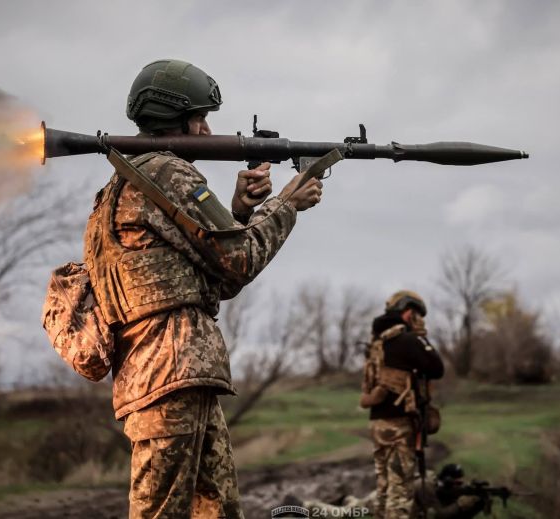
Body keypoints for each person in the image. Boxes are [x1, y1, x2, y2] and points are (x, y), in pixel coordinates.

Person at [85, 59, 324, 518]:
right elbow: (240, 261)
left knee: (217, 511)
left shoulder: (125, 184)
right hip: (169, 374)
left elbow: (210, 277)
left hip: (173, 375)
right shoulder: (168, 175)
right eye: (201, 118)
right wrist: (287, 204)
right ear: (176, 119)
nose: (208, 128)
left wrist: (238, 212)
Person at [360, 290, 445, 519]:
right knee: (400, 493)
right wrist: (421, 337)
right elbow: (437, 368)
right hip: (399, 426)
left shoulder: (377, 343)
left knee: (384, 488)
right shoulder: (408, 340)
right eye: (418, 315)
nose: (420, 320)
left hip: (377, 424)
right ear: (408, 313)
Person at [300, 464, 489, 519]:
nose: (459, 487)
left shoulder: (435, 487)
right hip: (377, 508)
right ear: (446, 481)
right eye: (456, 484)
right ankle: (303, 506)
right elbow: (437, 515)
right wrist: (461, 505)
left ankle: (348, 500)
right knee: (343, 515)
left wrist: (475, 505)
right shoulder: (426, 486)